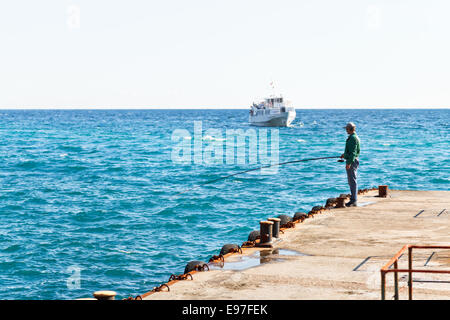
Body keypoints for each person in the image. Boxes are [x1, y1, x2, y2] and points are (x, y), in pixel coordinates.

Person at [340, 122, 360, 207]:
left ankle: (353, 200)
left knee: (352, 181)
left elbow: (353, 152)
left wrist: (348, 163)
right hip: (352, 160)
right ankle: (353, 199)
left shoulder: (352, 138)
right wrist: (344, 155)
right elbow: (351, 151)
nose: (346, 130)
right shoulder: (353, 137)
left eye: (346, 129)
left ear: (349, 129)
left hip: (352, 161)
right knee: (351, 181)